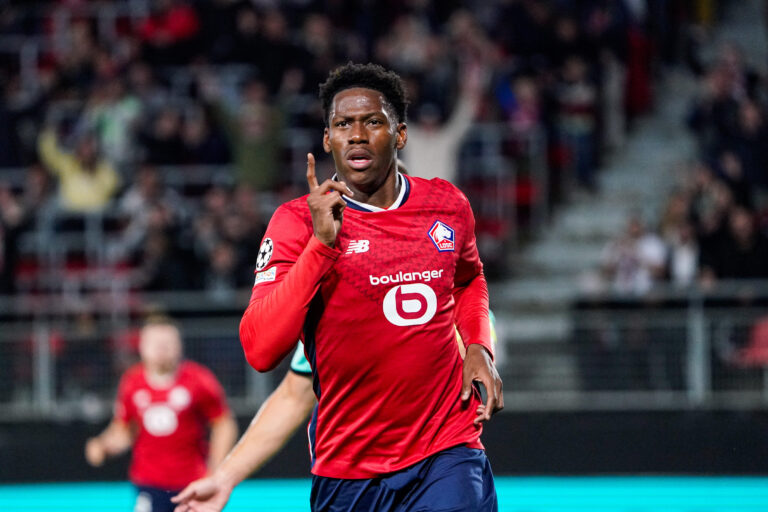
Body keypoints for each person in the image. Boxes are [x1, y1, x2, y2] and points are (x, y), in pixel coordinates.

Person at [231, 62, 500, 511]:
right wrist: (321, 246)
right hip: (349, 469)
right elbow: (260, 350)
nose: (356, 134)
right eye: (343, 124)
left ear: (400, 136)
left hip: (446, 449)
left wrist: (478, 346)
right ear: (326, 139)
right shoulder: (295, 223)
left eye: (373, 121)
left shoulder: (447, 205)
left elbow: (470, 279)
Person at [172, 311, 499, 512]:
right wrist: (225, 478)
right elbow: (292, 396)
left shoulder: (455, 296)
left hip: (441, 460)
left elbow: (472, 343)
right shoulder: (330, 312)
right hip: (351, 477)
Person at [85, 316, 238, 512]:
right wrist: (103, 445)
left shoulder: (199, 379)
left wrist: (215, 470)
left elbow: (224, 424)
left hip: (192, 483)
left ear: (179, 346)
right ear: (141, 346)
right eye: (155, 343)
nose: (161, 348)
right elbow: (124, 432)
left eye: (168, 343)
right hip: (148, 483)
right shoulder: (132, 383)